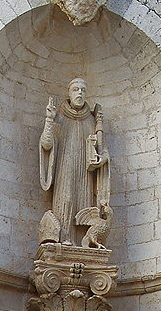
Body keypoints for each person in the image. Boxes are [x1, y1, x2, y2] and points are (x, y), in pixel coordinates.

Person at [39, 77, 110, 246]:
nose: (79, 93)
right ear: (69, 93)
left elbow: (104, 150)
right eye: (76, 89)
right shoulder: (60, 118)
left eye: (83, 90)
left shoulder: (92, 121)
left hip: (86, 174)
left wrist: (102, 159)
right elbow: (46, 144)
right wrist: (49, 120)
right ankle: (64, 238)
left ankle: (83, 241)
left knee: (84, 203)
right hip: (65, 169)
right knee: (66, 199)